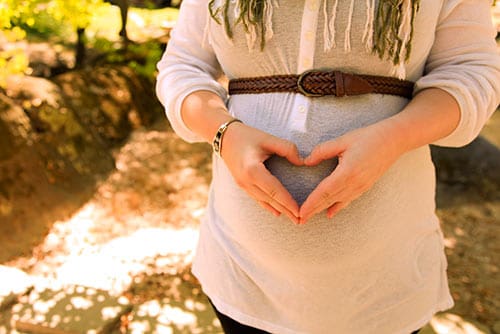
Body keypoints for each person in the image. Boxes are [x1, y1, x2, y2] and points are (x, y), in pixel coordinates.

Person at [156, 0, 500, 333]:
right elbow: (182, 65)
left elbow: (471, 71)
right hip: (243, 279)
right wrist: (223, 133)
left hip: (386, 290)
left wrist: (394, 137)